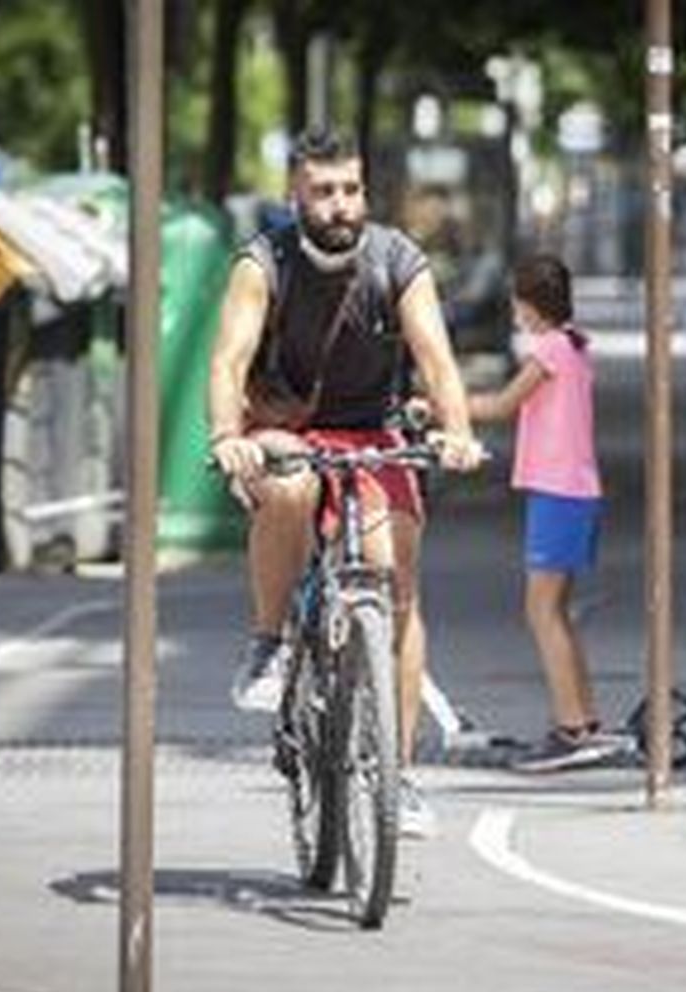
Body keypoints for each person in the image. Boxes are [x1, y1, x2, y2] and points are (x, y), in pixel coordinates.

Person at [206, 127, 484, 836]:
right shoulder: (262, 262)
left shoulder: (398, 259)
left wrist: (457, 431)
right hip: (284, 428)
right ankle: (269, 644)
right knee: (294, 486)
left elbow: (436, 358)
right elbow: (228, 361)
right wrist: (227, 439)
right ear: (294, 193)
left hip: (373, 432)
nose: (340, 205)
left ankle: (398, 776)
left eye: (351, 189)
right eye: (324, 191)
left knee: (395, 581)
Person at [467, 254, 621, 772]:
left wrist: (439, 402)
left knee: (541, 612)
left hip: (558, 493)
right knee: (557, 612)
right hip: (573, 491)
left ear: (530, 306)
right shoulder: (574, 343)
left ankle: (572, 729)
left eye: (516, 300)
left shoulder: (551, 349)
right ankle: (585, 720)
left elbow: (502, 406)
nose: (513, 309)